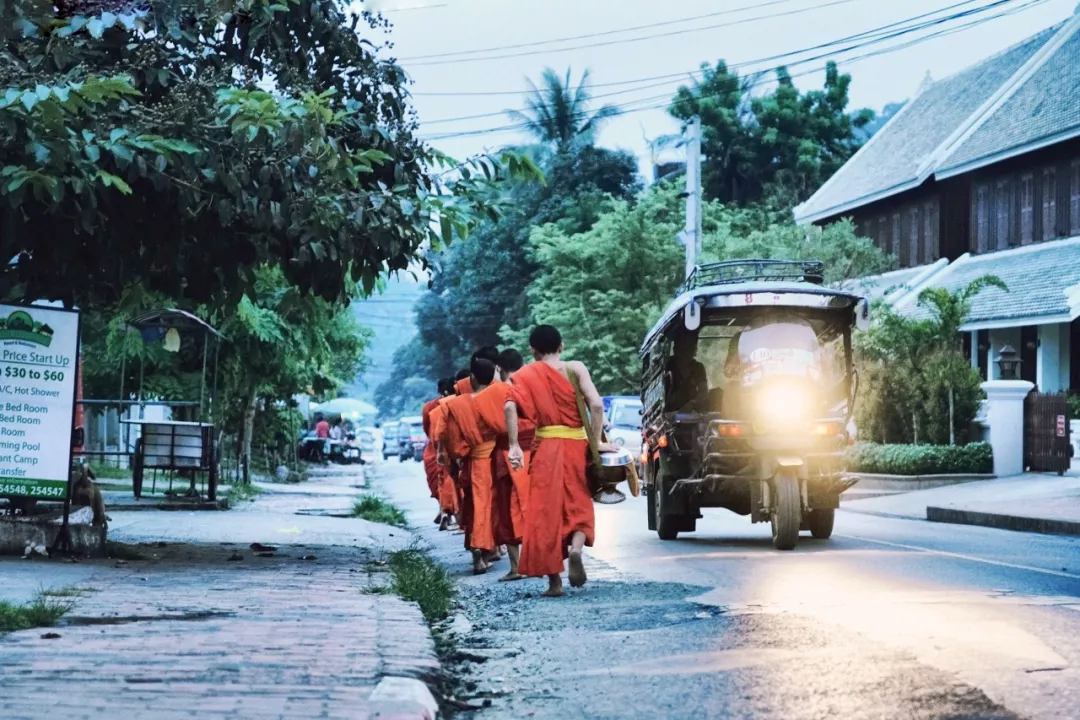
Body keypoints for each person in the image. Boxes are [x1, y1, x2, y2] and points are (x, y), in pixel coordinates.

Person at [505, 325, 616, 597]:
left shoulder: (523, 375)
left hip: (545, 448)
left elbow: (509, 407)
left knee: (545, 513)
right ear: (561, 346)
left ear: (533, 350)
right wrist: (596, 441)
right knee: (578, 502)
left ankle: (554, 583)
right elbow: (597, 405)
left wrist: (514, 445)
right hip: (576, 445)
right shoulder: (575, 367)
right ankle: (576, 550)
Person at [474, 347, 532, 582]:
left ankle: (517, 566)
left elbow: (482, 430)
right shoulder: (528, 389)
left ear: (499, 368)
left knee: (508, 509)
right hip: (534, 452)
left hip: (505, 454)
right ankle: (541, 560)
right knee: (534, 504)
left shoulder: (483, 398)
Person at [441, 358, 499, 575]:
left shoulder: (457, 404)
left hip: (474, 461)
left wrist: (458, 458)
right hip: (497, 459)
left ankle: (478, 549)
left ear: (471, 378)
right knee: (493, 507)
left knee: (477, 507)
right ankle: (484, 548)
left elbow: (452, 440)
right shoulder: (498, 397)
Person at [422, 378, 456, 524]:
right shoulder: (460, 402)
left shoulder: (430, 407)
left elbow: (426, 428)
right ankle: (448, 509)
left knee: (438, 479)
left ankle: (444, 508)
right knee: (451, 479)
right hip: (454, 447)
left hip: (435, 448)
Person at [665, 330, 709, 413]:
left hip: (693, 411)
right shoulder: (668, 366)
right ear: (676, 349)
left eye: (691, 348)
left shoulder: (698, 368)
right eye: (684, 347)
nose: (687, 352)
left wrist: (692, 404)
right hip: (670, 412)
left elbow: (703, 392)